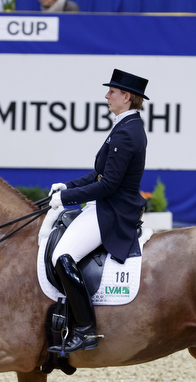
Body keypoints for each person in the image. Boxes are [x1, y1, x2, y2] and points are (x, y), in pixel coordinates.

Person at [47, 69, 149, 354]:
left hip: (112, 211)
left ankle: (85, 330)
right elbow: (98, 173)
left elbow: (108, 186)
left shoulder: (128, 133)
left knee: (63, 255)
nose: (107, 96)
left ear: (126, 97)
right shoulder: (124, 126)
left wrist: (67, 198)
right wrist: (67, 186)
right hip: (107, 204)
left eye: (112, 92)